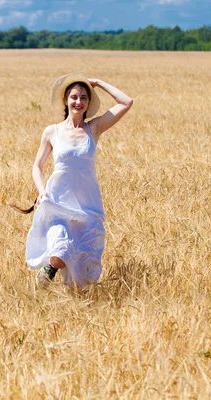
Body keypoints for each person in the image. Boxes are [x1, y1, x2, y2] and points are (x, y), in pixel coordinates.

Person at [25, 72, 133, 288]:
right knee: (59, 250)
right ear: (66, 99)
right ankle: (48, 271)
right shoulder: (52, 132)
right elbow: (37, 166)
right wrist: (41, 191)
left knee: (83, 264)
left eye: (84, 97)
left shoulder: (94, 128)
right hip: (58, 200)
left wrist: (99, 83)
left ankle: (72, 299)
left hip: (87, 203)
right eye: (74, 97)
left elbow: (126, 102)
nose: (79, 102)